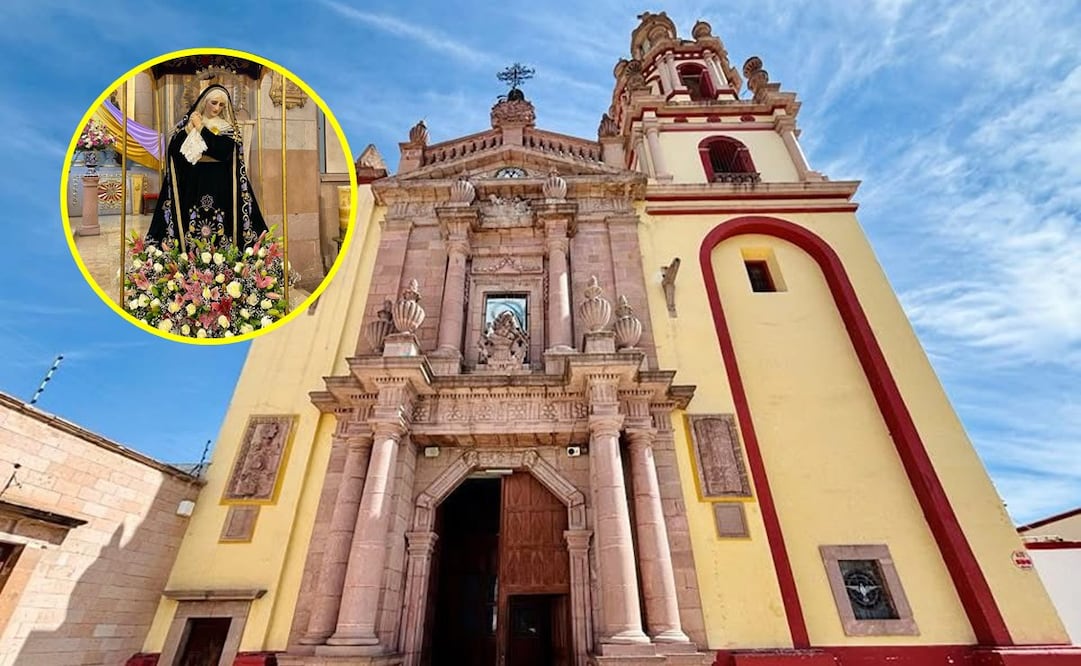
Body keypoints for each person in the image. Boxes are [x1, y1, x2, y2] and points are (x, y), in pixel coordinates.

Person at [145, 84, 267, 250]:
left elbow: (223, 150)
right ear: (204, 102)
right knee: (191, 225)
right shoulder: (188, 124)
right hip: (193, 184)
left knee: (221, 228)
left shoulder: (227, 127)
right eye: (214, 103)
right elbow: (174, 149)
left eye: (221, 105)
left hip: (219, 185)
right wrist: (190, 129)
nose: (217, 108)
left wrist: (201, 128)